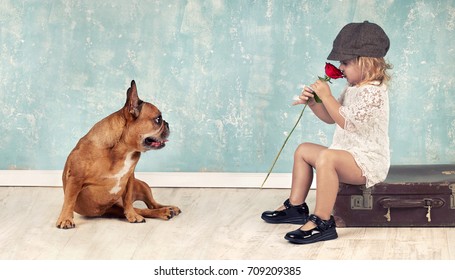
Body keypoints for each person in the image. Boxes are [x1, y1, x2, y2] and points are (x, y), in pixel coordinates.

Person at [261, 21, 392, 244]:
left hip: (366, 162)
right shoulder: (352, 89)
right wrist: (314, 103)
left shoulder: (374, 93)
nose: (340, 68)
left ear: (366, 63)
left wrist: (328, 96)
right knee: (304, 150)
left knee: (327, 157)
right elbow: (333, 118)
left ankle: (323, 222)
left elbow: (347, 122)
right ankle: (296, 206)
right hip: (345, 155)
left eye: (346, 62)